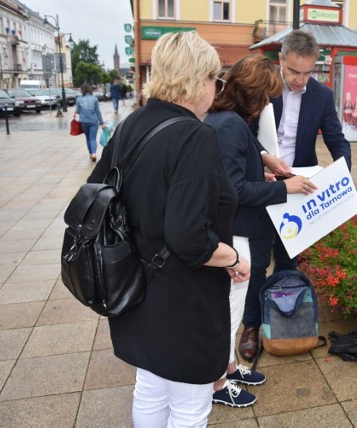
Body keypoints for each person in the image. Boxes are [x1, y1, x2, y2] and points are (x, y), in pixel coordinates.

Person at [87, 31, 250, 427]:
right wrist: (232, 257)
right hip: (183, 297)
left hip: (134, 285)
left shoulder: (131, 124)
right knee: (190, 403)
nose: (217, 88)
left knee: (151, 386)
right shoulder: (195, 136)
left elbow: (97, 194)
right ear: (199, 79)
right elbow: (189, 238)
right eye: (216, 79)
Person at [204, 54, 316, 407]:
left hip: (237, 229)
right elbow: (234, 191)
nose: (268, 103)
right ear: (252, 94)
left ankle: (230, 366)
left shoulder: (229, 120)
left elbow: (234, 177)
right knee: (230, 310)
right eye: (266, 96)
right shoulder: (231, 126)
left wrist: (262, 170)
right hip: (235, 232)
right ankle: (218, 385)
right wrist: (287, 187)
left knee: (232, 307)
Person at [239, 29, 352, 361]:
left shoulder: (321, 94)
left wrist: (344, 173)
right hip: (263, 184)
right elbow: (243, 131)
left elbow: (336, 138)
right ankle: (251, 326)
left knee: (289, 261)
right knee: (257, 261)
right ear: (280, 62)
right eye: (293, 72)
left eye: (308, 72)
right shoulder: (262, 87)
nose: (301, 80)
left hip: (300, 189)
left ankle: (284, 318)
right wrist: (261, 160)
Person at [75, 83, 105, 162]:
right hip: (93, 121)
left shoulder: (79, 99)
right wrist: (102, 122)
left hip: (84, 122)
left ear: (82, 90)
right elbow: (98, 112)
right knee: (93, 138)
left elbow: (77, 111)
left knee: (88, 138)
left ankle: (91, 153)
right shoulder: (94, 99)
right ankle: (94, 153)